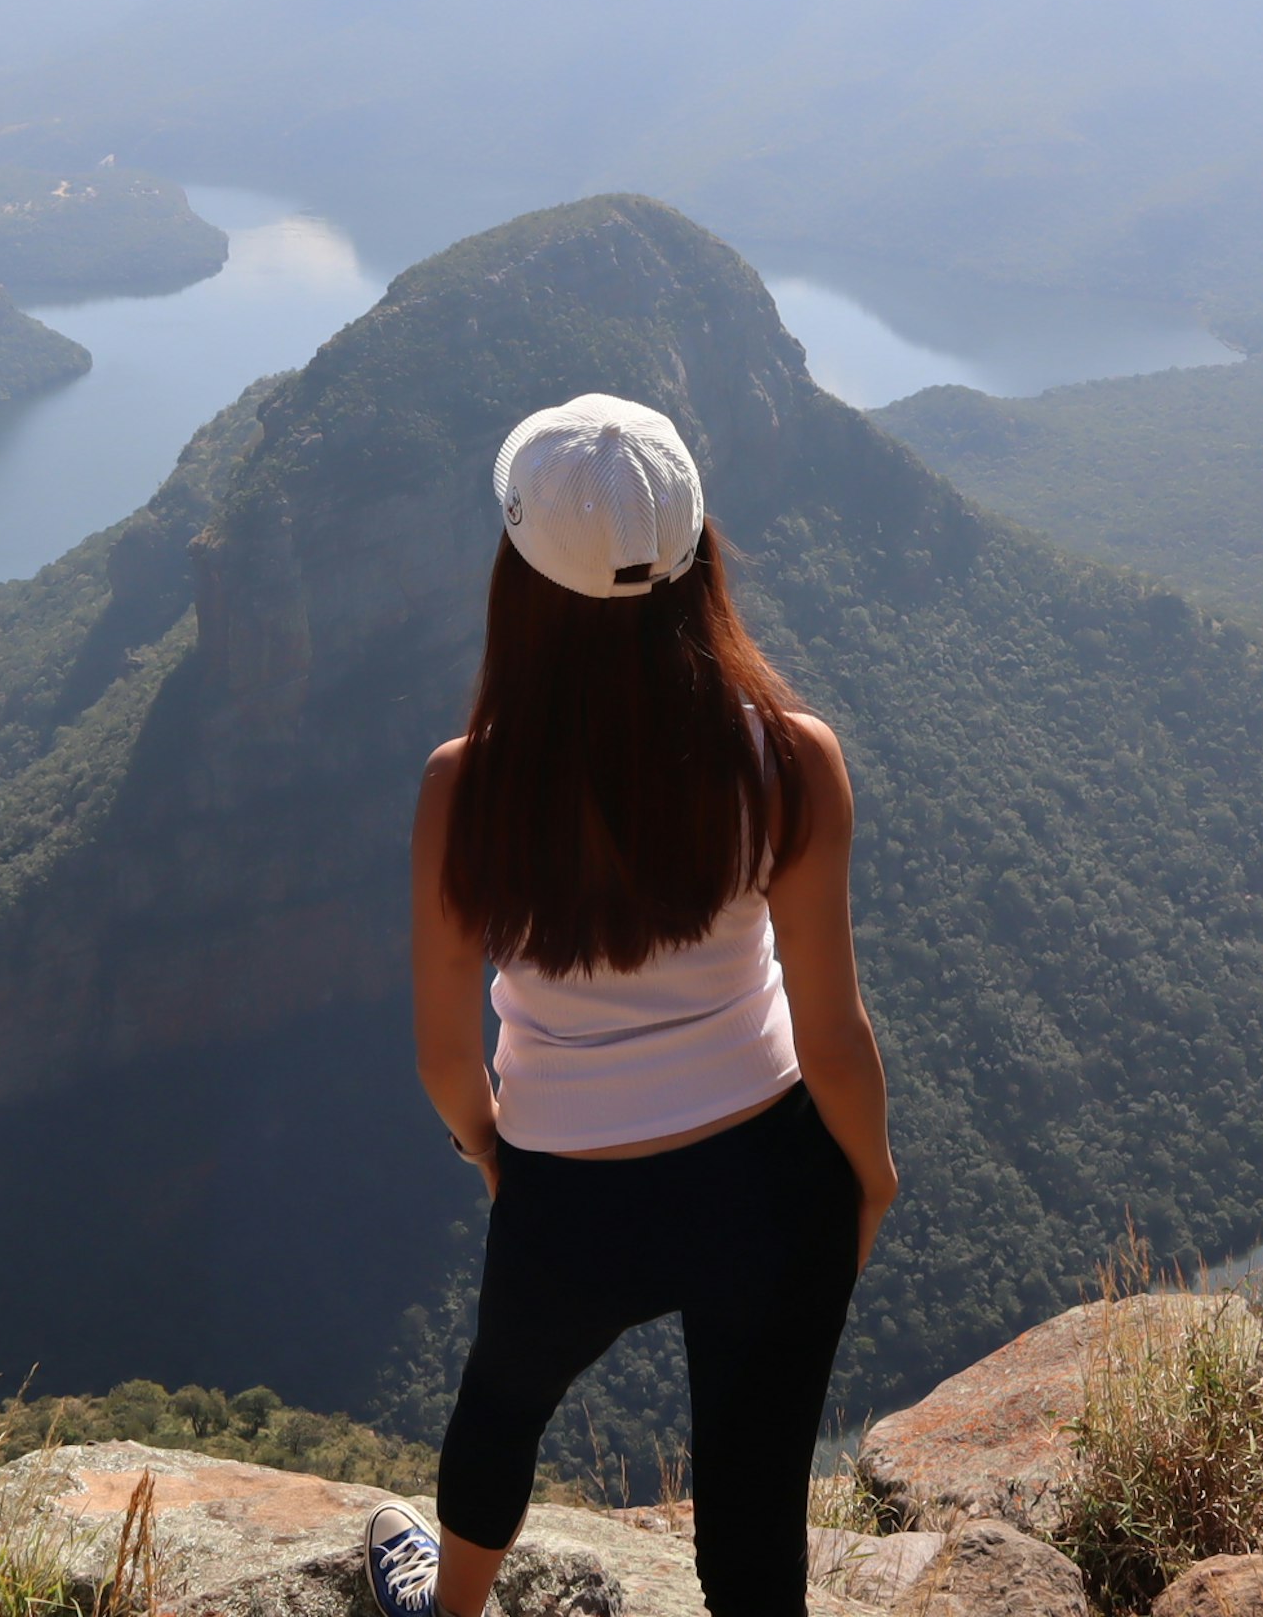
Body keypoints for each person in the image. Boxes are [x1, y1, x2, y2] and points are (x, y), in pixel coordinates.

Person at [366, 393, 900, 1617]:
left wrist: (501, 1156)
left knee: (500, 1405)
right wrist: (866, 1175)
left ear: (518, 575)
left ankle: (448, 1608)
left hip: (569, 1181)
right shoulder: (789, 759)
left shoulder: (468, 787)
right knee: (757, 1508)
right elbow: (832, 1031)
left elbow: (446, 1052)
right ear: (699, 555)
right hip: (773, 1176)